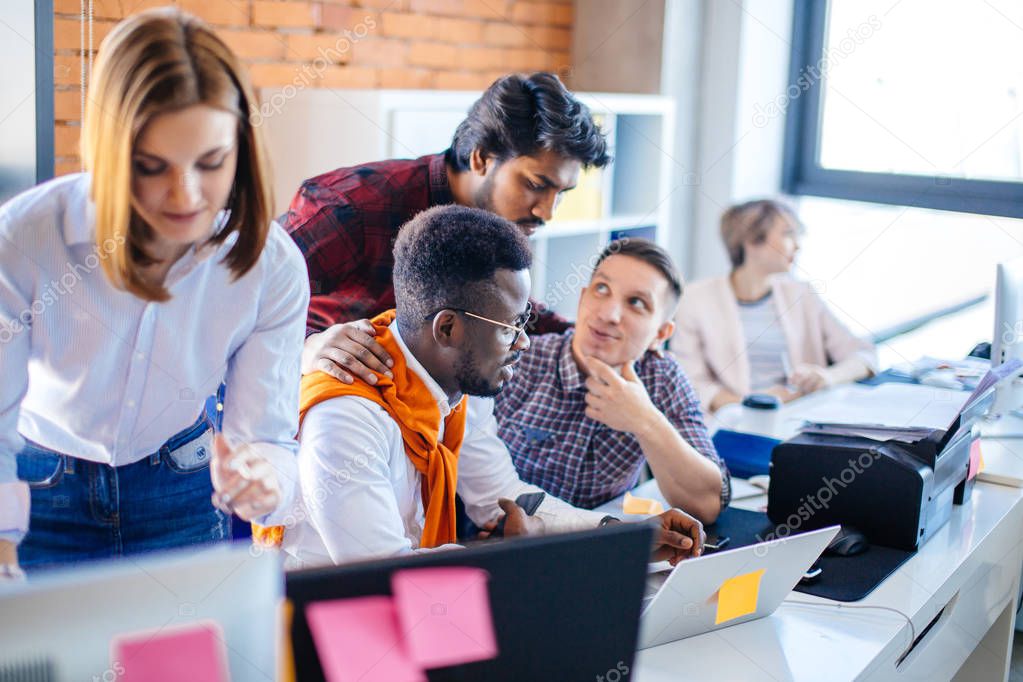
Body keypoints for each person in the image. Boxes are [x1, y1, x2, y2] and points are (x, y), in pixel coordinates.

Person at [0, 8, 307, 576]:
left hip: (181, 485)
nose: (185, 195)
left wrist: (263, 477)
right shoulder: (22, 239)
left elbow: (267, 438)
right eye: (150, 166)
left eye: (211, 162)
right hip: (38, 487)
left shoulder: (272, 265)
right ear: (112, 154)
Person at [281, 205, 704, 567]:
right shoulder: (347, 420)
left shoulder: (455, 385)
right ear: (448, 328)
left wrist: (626, 536)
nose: (523, 341)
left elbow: (500, 493)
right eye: (509, 327)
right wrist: (514, 561)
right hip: (330, 636)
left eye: (525, 321)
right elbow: (386, 574)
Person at [280, 72, 610, 386]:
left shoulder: (492, 224)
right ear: (481, 159)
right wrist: (305, 344)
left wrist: (595, 337)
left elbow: (503, 305)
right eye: (536, 184)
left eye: (562, 194)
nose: (547, 212)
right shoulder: (352, 206)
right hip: (318, 403)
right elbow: (245, 289)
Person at [488, 239, 730, 523]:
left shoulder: (661, 378)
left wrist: (644, 420)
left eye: (636, 303)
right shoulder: (521, 360)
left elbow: (709, 504)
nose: (608, 315)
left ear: (661, 334)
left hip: (597, 546)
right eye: (601, 289)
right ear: (581, 299)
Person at [673, 199, 877, 413]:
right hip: (735, 420)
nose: (797, 245)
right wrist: (753, 404)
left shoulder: (802, 294)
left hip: (801, 416)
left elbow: (865, 355)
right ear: (752, 241)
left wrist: (827, 377)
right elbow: (692, 383)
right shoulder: (695, 298)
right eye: (788, 234)